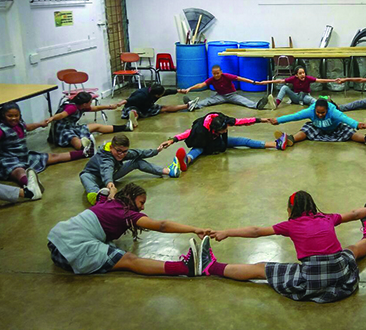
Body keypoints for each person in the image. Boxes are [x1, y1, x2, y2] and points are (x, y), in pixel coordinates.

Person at [198, 191, 366, 303]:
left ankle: (210, 266)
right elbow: (355, 213)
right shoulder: (327, 217)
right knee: (352, 250)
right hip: (341, 276)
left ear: (291, 210)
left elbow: (256, 231)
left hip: (312, 278)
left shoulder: (290, 225)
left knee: (260, 269)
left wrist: (227, 232)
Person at [47, 183, 211, 276]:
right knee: (129, 260)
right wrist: (194, 229)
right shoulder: (125, 214)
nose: (142, 207)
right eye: (141, 202)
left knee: (109, 244)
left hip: (57, 240)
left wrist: (112, 189)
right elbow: (162, 225)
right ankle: (185, 268)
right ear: (130, 199)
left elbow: (110, 193)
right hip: (71, 250)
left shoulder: (109, 202)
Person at [0, 103, 88, 187]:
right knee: (19, 172)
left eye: (16, 115)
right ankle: (30, 185)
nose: (13, 118)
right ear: (3, 116)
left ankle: (85, 152)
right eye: (9, 116)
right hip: (7, 160)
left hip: (24, 157)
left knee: (53, 156)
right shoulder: (0, 129)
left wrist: (40, 124)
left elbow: (28, 127)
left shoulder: (19, 124)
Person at [158, 112, 288, 170]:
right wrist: (172, 140)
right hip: (205, 143)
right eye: (223, 131)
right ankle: (185, 161)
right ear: (215, 129)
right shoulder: (201, 128)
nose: (226, 131)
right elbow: (188, 133)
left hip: (218, 142)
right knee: (197, 150)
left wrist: (260, 120)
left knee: (242, 140)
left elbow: (241, 122)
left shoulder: (222, 120)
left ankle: (275, 144)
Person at [79, 134, 180, 205]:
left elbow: (138, 153)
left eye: (124, 151)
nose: (121, 154)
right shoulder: (106, 158)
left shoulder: (122, 153)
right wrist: (110, 185)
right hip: (94, 177)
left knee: (136, 161)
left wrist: (156, 151)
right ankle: (98, 197)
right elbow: (107, 171)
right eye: (118, 151)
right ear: (111, 148)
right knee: (84, 176)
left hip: (110, 177)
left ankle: (168, 171)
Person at [270, 97, 366, 146]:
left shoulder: (333, 111)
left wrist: (356, 124)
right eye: (318, 112)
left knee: (349, 132)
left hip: (335, 129)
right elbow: (295, 116)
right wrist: (278, 120)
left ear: (327, 110)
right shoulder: (310, 111)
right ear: (314, 109)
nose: (320, 115)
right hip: (317, 128)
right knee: (306, 129)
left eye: (323, 113)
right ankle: (291, 138)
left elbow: (344, 118)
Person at [47, 92, 132, 151]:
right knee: (75, 141)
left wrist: (109, 106)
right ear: (84, 104)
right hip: (62, 131)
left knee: (96, 126)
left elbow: (96, 108)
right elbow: (62, 115)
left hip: (71, 127)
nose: (91, 104)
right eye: (90, 102)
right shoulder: (72, 107)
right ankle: (85, 148)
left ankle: (125, 127)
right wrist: (52, 118)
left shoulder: (81, 106)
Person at [181, 65, 269, 111]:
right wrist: (189, 88)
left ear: (221, 72)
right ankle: (192, 105)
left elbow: (239, 78)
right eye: (214, 73)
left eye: (217, 73)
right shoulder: (212, 79)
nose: (216, 75)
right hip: (220, 96)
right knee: (207, 101)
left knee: (243, 100)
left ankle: (257, 105)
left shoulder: (226, 76)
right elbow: (201, 85)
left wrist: (253, 82)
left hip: (232, 95)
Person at [257, 66, 336, 109]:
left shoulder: (308, 78)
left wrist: (334, 80)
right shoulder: (293, 79)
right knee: (284, 87)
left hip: (305, 96)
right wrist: (267, 82)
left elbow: (320, 80)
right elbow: (280, 81)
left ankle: (326, 105)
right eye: (300, 73)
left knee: (312, 100)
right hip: (296, 96)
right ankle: (276, 104)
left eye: (303, 73)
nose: (302, 75)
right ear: (296, 75)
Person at [121, 83, 189, 120]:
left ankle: (188, 105)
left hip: (146, 107)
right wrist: (117, 104)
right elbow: (128, 100)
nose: (163, 94)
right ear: (157, 95)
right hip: (133, 106)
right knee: (134, 111)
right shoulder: (141, 95)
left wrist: (179, 90)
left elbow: (168, 92)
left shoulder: (154, 91)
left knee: (165, 108)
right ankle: (133, 116)